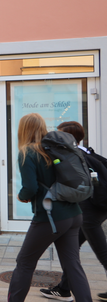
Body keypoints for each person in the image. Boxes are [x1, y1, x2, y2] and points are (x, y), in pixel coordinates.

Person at [7, 114, 91, 302]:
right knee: (72, 265)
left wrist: (22, 197)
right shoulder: (54, 148)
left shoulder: (28, 152)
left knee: (25, 263)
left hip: (51, 217)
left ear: (23, 130)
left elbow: (30, 188)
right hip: (74, 214)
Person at [40, 121, 107, 301]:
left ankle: (65, 288)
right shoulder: (85, 152)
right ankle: (64, 288)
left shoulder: (74, 156)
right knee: (71, 248)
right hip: (97, 206)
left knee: (101, 250)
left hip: (90, 210)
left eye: (60, 134)